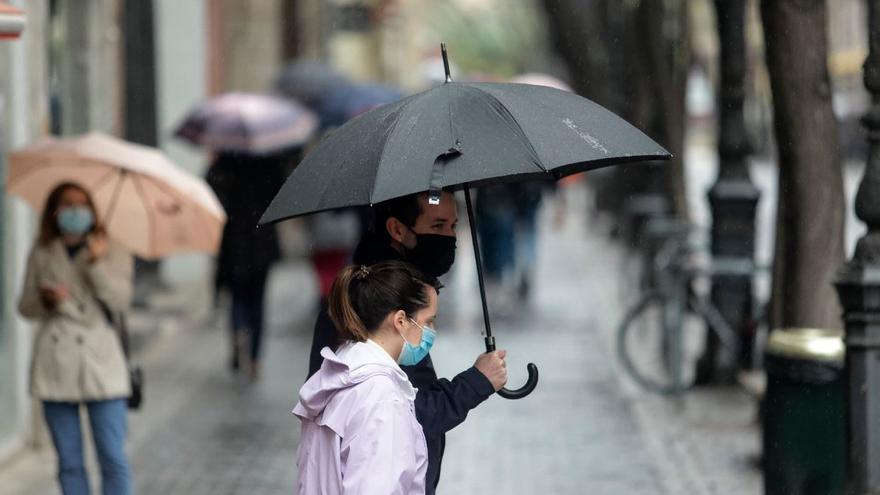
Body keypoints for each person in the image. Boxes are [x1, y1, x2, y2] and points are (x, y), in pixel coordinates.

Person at [307, 191, 509, 494]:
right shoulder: (376, 384)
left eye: (454, 225)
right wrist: (475, 382)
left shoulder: (383, 302)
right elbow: (412, 416)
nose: (449, 237)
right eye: (438, 225)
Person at [18, 182, 133, 495]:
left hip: (102, 361)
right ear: (55, 210)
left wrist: (97, 264)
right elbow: (24, 307)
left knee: (113, 457)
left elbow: (121, 302)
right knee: (69, 461)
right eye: (67, 204)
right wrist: (46, 299)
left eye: (82, 204)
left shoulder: (113, 247)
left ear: (93, 211)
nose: (75, 211)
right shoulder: (42, 249)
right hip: (56, 360)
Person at [295, 261, 439, 494]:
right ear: (401, 321)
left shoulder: (343, 369)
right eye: (429, 321)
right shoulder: (381, 396)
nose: (432, 331)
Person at [206, 152, 285, 380]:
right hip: (262, 240)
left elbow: (210, 190)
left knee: (238, 295)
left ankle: (239, 329)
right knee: (258, 300)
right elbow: (280, 192)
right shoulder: (269, 158)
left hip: (234, 240)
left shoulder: (226, 157)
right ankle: (255, 360)